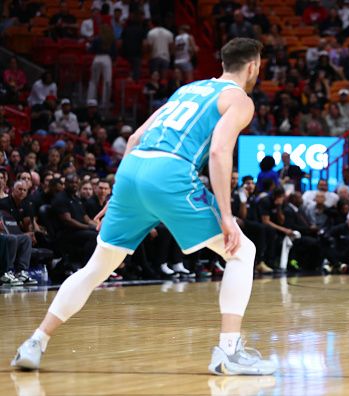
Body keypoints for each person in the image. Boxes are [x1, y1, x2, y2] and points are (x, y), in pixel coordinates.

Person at [12, 38, 277, 376]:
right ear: (254, 66)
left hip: (132, 171)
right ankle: (228, 352)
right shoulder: (239, 99)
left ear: (223, 63)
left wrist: (116, 195)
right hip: (169, 173)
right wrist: (226, 215)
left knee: (96, 268)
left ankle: (35, 342)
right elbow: (218, 152)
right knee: (242, 251)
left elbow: (136, 138)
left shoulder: (188, 89)